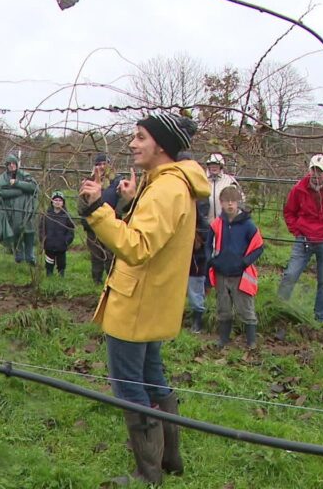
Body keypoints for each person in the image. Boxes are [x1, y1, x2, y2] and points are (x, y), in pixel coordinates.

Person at [78, 113, 209, 485]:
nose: (133, 143)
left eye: (140, 137)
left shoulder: (167, 189)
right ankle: (169, 458)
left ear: (162, 145)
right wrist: (132, 202)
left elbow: (137, 246)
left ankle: (146, 473)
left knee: (128, 385)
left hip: (135, 302)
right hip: (151, 300)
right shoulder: (166, 184)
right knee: (153, 376)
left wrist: (97, 210)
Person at [278, 154, 323, 323]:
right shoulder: (299, 188)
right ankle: (280, 309)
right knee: (290, 275)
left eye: (320, 172)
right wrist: (297, 232)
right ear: (309, 170)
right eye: (314, 171)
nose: (316, 175)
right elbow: (289, 211)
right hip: (304, 239)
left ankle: (320, 319)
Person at [207, 186, 264, 349]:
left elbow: (259, 247)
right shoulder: (217, 224)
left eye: (233, 201)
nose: (230, 205)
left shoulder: (248, 225)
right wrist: (212, 262)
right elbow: (208, 245)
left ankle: (251, 342)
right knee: (223, 308)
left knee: (245, 308)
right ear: (221, 203)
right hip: (221, 273)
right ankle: (223, 340)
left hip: (241, 274)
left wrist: (244, 263)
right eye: (226, 202)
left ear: (238, 202)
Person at [82, 153, 125, 284]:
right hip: (93, 225)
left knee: (110, 254)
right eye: (98, 164)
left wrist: (115, 215)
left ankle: (111, 279)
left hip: (111, 224)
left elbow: (122, 203)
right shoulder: (89, 182)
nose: (101, 167)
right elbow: (82, 204)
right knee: (96, 255)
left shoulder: (117, 182)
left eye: (104, 164)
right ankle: (96, 280)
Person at [0, 154, 39, 265]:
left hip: (27, 209)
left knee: (29, 232)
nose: (12, 166)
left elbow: (34, 187)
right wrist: (18, 192)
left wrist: (18, 183)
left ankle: (30, 257)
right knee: (15, 232)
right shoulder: (2, 178)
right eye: (9, 164)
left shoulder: (24, 175)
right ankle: (19, 256)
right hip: (11, 211)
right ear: (6, 165)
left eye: (13, 163)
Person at [187, 195, 212, 334]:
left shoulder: (203, 227)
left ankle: (197, 320)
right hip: (183, 262)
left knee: (195, 291)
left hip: (196, 263)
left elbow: (204, 248)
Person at [39, 191, 75, 277]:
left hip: (61, 245)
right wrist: (43, 239)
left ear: (63, 203)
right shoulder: (46, 215)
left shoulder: (67, 216)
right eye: (55, 200)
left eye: (60, 200)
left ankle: (61, 274)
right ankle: (49, 274)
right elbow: (41, 228)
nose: (57, 202)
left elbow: (71, 230)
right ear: (52, 202)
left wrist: (66, 241)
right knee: (49, 261)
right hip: (49, 245)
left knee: (61, 262)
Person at [205, 153, 244, 223]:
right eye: (211, 164)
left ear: (221, 166)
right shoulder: (202, 180)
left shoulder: (229, 180)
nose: (214, 167)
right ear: (208, 166)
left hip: (225, 223)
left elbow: (240, 199)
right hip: (206, 225)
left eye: (217, 164)